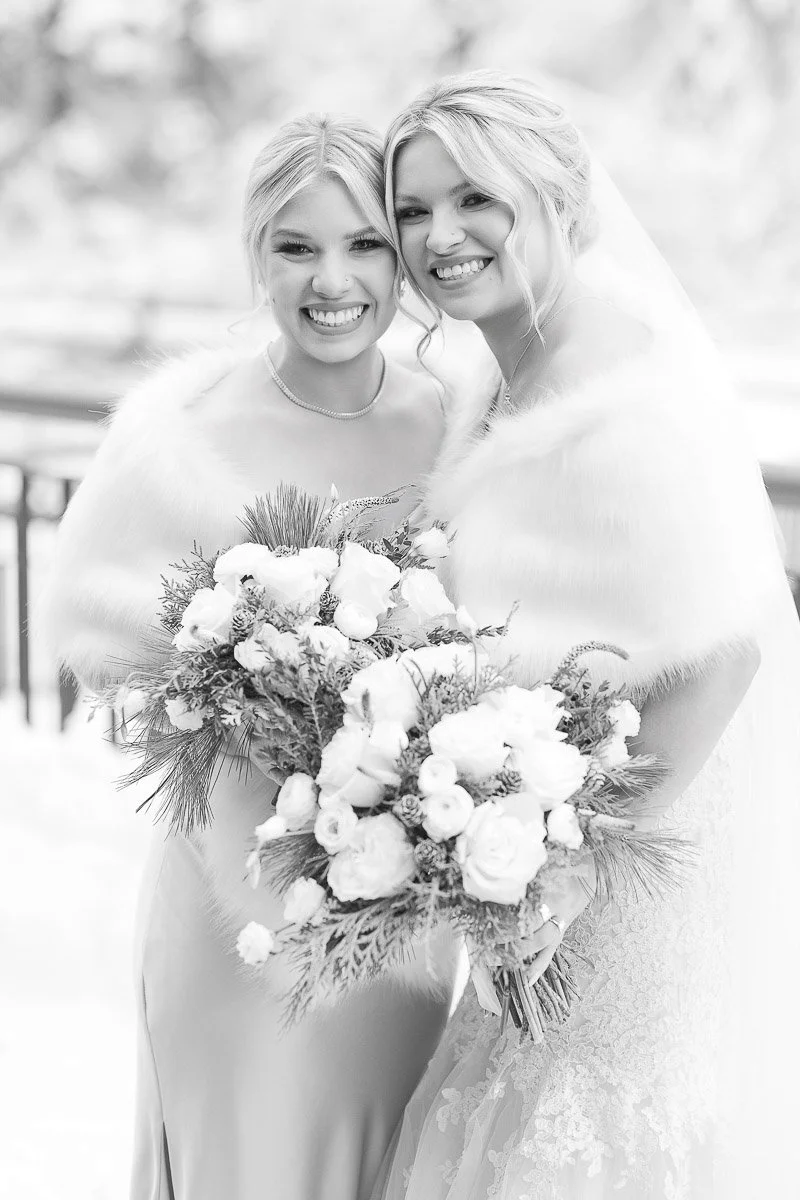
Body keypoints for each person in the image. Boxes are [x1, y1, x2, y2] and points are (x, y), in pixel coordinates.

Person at [374, 70, 800, 1199]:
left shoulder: (622, 406)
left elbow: (721, 660)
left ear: (556, 199)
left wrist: (560, 874)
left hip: (622, 865)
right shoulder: (495, 375)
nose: (437, 237)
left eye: (474, 199)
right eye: (411, 211)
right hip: (541, 841)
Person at [42, 113, 455, 1200]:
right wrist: (239, 697)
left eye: (364, 243)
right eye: (294, 246)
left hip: (399, 922)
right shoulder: (181, 429)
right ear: (253, 257)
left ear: (403, 256)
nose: (333, 280)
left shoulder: (460, 428)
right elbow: (99, 645)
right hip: (231, 913)